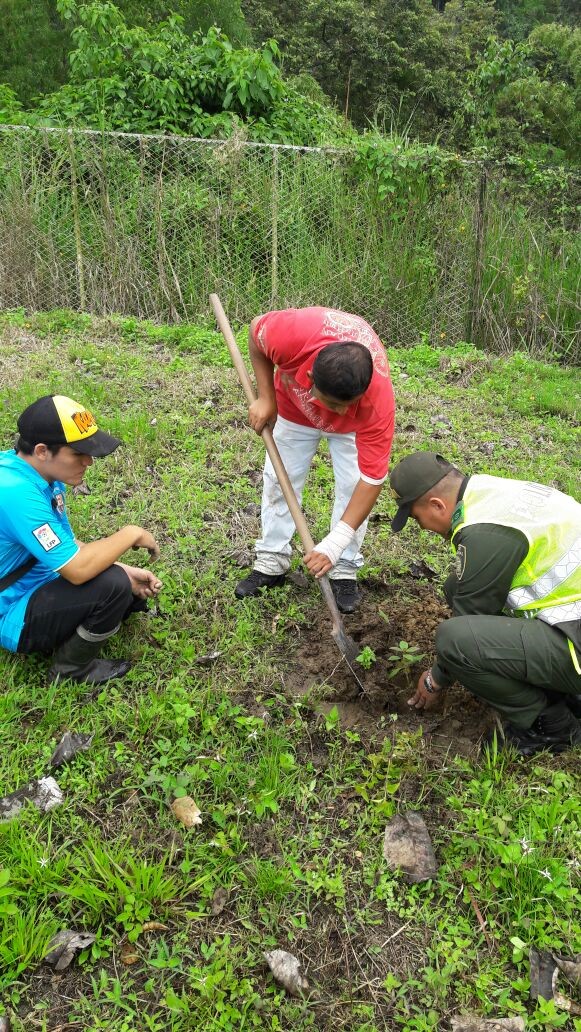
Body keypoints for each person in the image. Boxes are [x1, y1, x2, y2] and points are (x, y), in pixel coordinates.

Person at [389, 451, 581, 756]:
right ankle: (565, 690)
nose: (422, 527)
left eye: (416, 518)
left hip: (575, 641)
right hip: (571, 621)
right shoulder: (489, 491)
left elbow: (466, 624)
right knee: (459, 587)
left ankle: (551, 726)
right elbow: (468, 593)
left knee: (453, 641)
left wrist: (435, 680)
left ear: (437, 505)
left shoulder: (484, 532)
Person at [235, 306, 396, 613]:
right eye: (333, 404)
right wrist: (266, 396)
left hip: (353, 430)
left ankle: (344, 566)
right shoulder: (292, 335)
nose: (337, 412)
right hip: (295, 409)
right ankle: (272, 560)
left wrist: (334, 544)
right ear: (309, 377)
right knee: (279, 480)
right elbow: (257, 331)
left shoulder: (376, 403)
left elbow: (372, 478)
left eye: (346, 404)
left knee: (351, 487)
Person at [0, 394, 162, 684]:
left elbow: (67, 546)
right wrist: (131, 533)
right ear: (41, 450)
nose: (88, 461)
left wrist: (125, 570)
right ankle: (70, 670)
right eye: (78, 453)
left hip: (37, 582)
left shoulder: (43, 477)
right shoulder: (15, 492)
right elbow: (76, 570)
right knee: (111, 585)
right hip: (9, 609)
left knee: (117, 580)